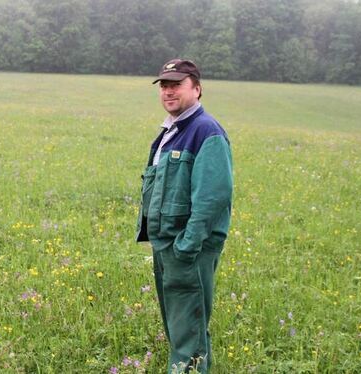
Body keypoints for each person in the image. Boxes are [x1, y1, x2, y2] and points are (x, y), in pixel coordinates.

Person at [136, 58, 233, 373]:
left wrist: (187, 246)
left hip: (187, 248)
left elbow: (212, 197)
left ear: (197, 88)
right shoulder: (172, 130)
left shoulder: (205, 131)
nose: (168, 91)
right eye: (164, 85)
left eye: (176, 84)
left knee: (187, 332)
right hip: (169, 245)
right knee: (183, 329)